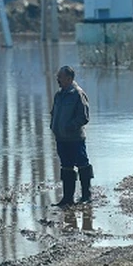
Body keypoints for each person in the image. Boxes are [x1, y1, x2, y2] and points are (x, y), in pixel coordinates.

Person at [50, 65, 93, 207]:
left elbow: (84, 117)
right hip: (61, 139)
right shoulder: (58, 95)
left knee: (82, 165)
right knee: (66, 167)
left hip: (75, 139)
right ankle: (67, 198)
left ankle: (86, 196)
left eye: (60, 77)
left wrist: (70, 127)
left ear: (69, 78)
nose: (58, 79)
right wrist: (54, 127)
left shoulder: (78, 94)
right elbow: (53, 113)